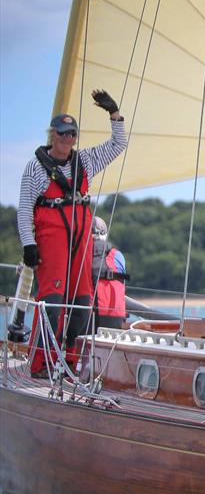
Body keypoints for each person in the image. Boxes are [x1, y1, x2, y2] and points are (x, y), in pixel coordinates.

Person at [17, 89, 127, 378]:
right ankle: (41, 365)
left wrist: (114, 113)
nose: (68, 138)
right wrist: (28, 245)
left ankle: (68, 362)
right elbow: (25, 210)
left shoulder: (85, 161)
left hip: (80, 241)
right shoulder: (35, 168)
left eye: (73, 134)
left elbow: (119, 144)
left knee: (81, 306)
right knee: (52, 305)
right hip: (51, 240)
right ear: (52, 134)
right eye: (63, 132)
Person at [91, 216, 129, 329]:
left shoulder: (80, 256)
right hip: (115, 318)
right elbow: (122, 285)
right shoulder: (118, 256)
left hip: (87, 317)